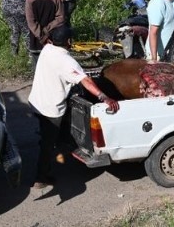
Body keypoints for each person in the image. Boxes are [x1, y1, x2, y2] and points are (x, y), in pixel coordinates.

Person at [28, 25, 119, 189]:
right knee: (47, 144)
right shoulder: (66, 61)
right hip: (51, 108)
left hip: (37, 101)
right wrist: (104, 97)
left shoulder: (47, 49)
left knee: (47, 136)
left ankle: (58, 144)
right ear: (69, 41)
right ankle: (41, 177)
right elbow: (86, 81)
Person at [25, 0, 65, 69]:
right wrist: (47, 32)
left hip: (36, 41)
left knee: (37, 70)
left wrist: (41, 36)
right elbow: (60, 18)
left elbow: (30, 21)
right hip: (52, 40)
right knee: (53, 68)